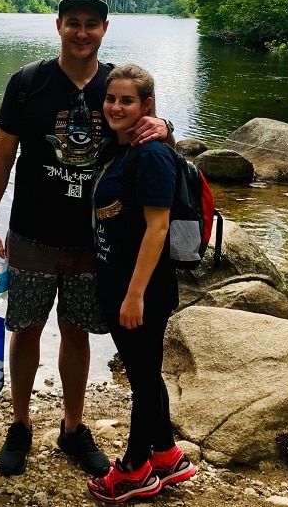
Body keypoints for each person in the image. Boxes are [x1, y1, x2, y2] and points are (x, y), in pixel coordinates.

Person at [0, 0, 173, 478]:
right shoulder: (27, 83)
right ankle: (19, 425)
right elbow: (2, 155)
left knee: (76, 331)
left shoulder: (114, 87)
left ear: (105, 28)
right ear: (58, 25)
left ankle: (72, 427)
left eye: (91, 23)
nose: (81, 32)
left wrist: (164, 123)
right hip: (31, 233)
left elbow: (145, 129)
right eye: (73, 22)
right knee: (26, 329)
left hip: (93, 242)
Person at [86, 64, 197, 503]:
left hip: (141, 290)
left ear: (146, 106)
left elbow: (157, 228)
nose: (115, 106)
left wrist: (134, 295)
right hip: (122, 283)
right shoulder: (121, 148)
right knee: (147, 372)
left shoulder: (150, 155)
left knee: (143, 378)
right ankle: (166, 455)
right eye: (111, 98)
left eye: (127, 100)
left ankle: (135, 470)